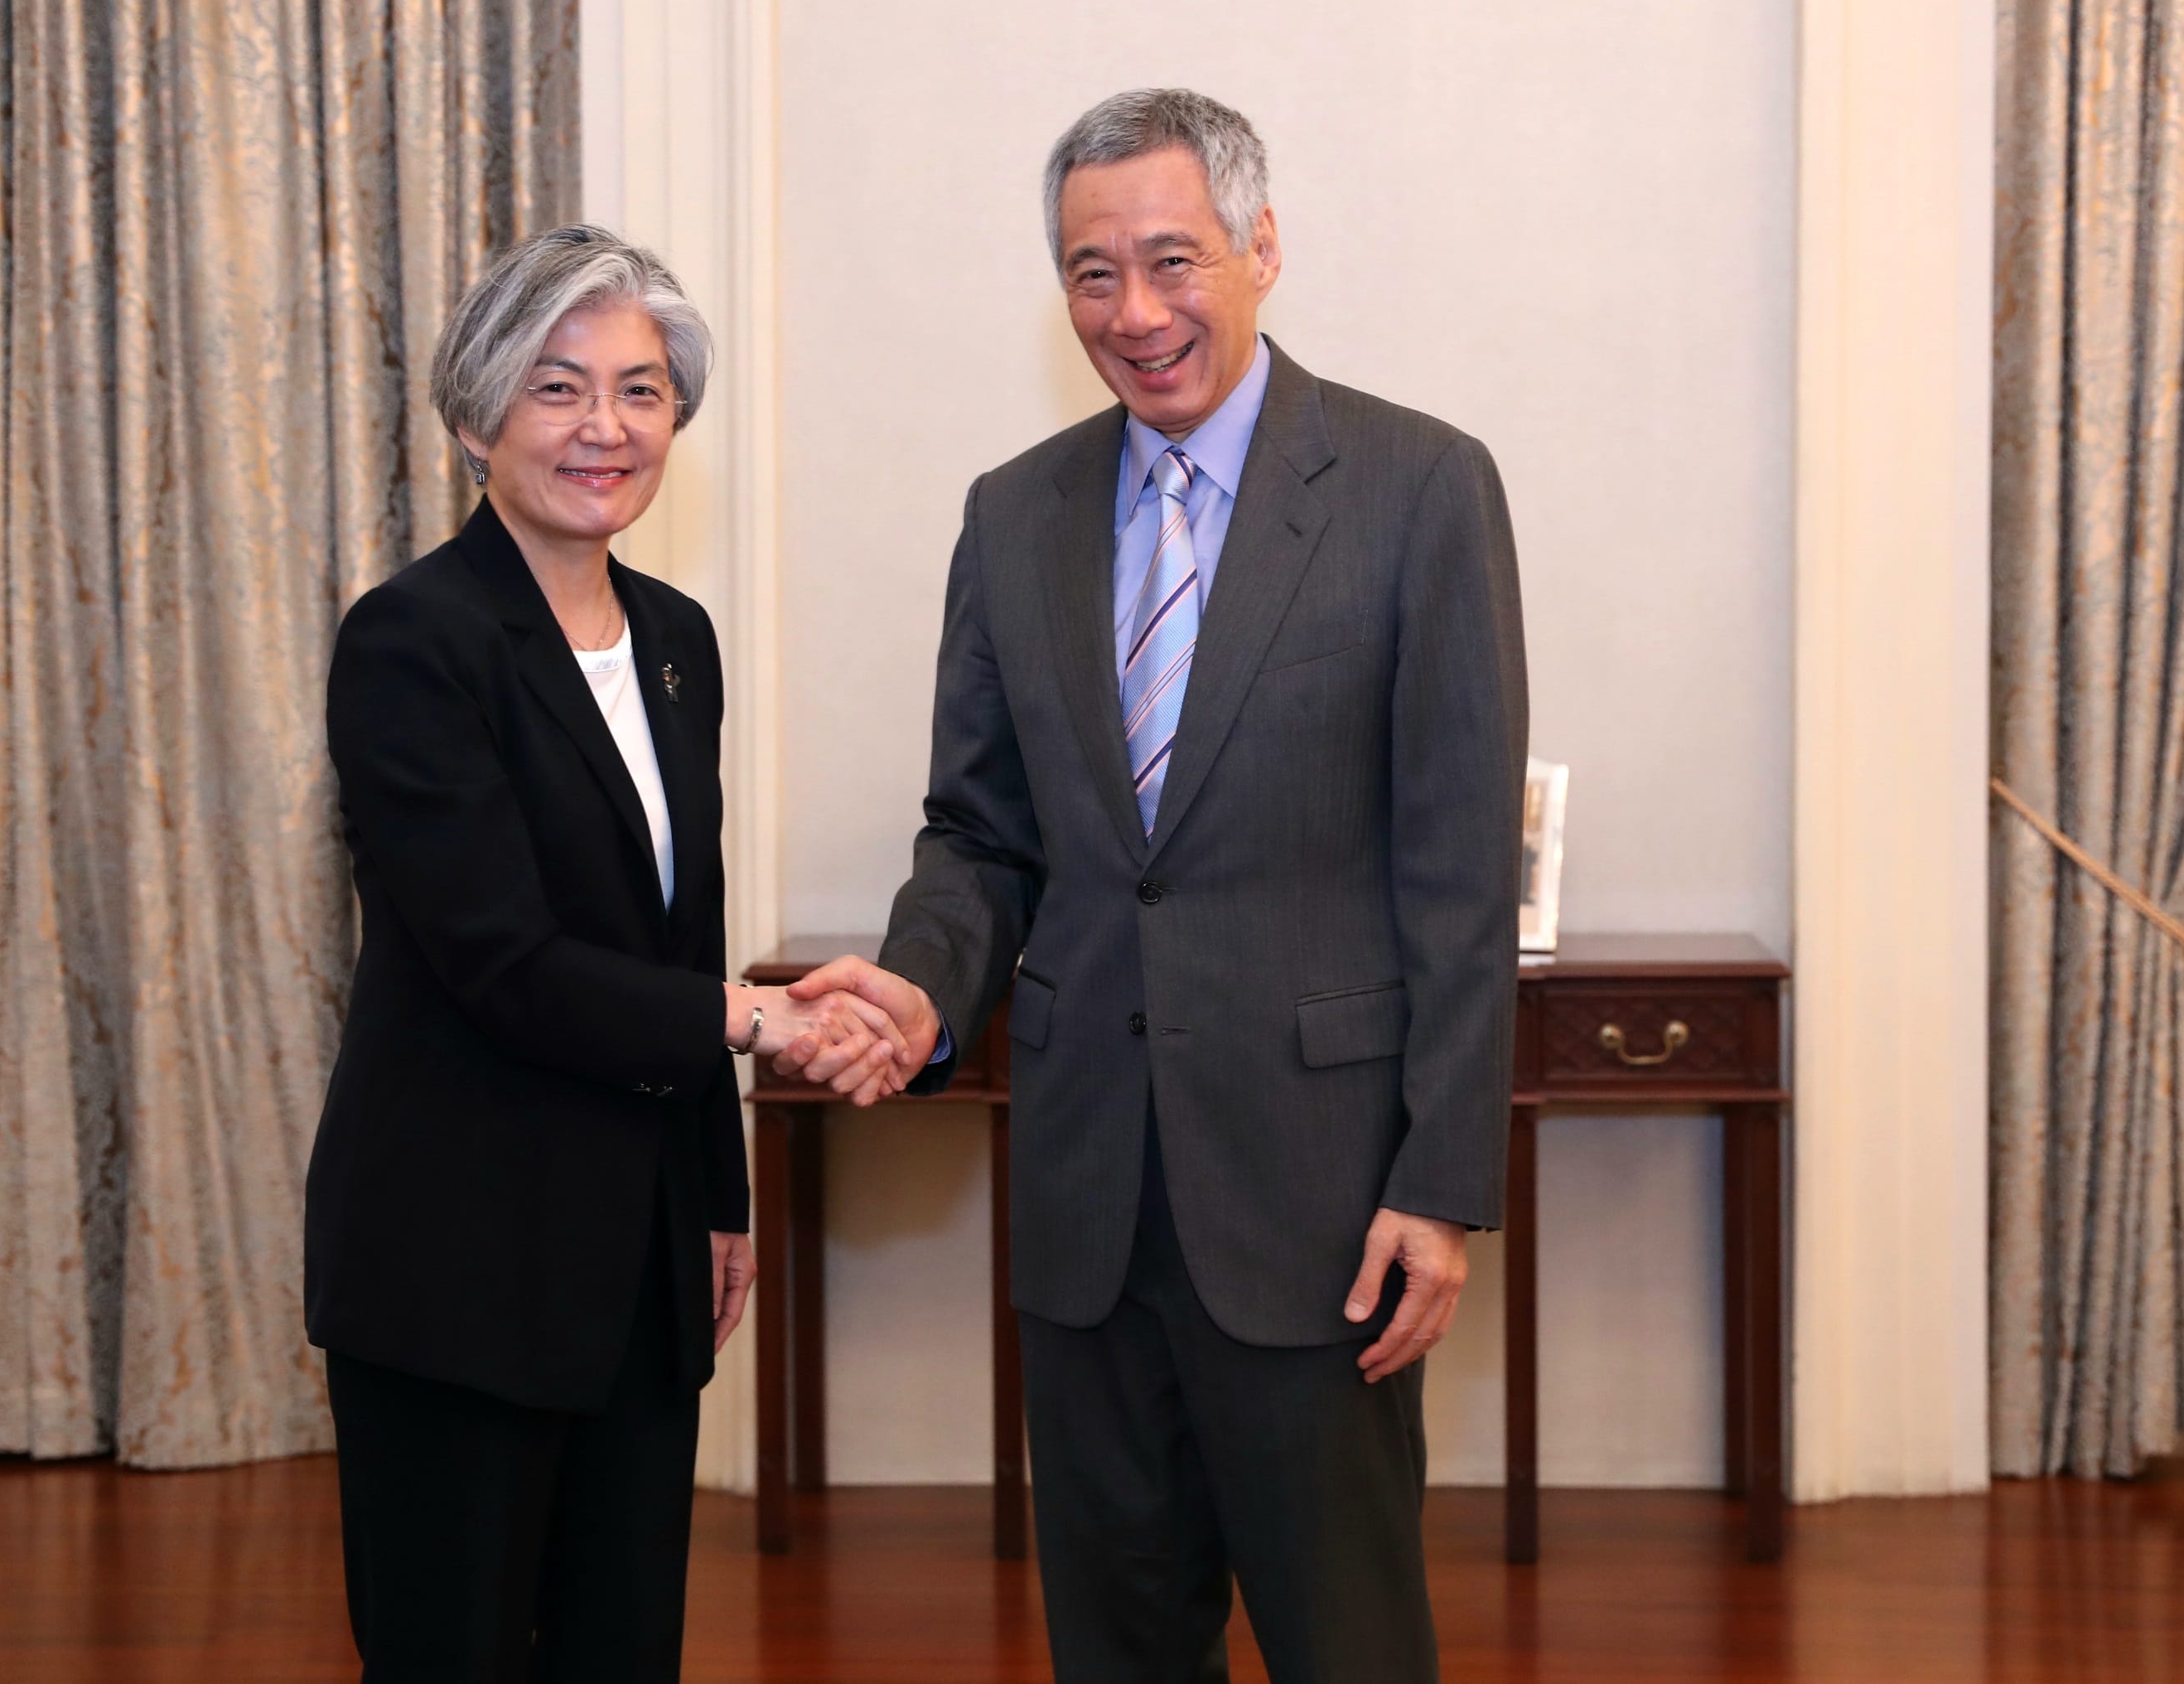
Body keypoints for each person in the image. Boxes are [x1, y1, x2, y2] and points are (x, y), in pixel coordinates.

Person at [783, 90, 1529, 1683]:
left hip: (1320, 1201)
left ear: (1262, 247)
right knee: (1116, 1649)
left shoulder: (1419, 487)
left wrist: (1444, 1180)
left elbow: (1459, 871)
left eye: (1172, 260)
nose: (1134, 311)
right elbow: (981, 833)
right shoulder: (1013, 513)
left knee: (1350, 1645)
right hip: (1086, 1203)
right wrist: (919, 987)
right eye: (1091, 272)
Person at [305, 225, 897, 1682]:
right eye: (558, 387)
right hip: (457, 1260)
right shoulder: (412, 640)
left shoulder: (677, 638)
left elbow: (677, 932)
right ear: (476, 416)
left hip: (637, 1259)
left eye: (641, 390)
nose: (605, 427)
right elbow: (501, 961)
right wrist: (761, 1023)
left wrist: (718, 1194)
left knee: (623, 1648)